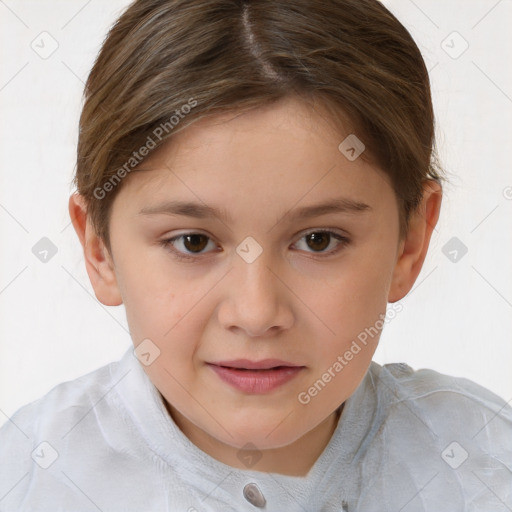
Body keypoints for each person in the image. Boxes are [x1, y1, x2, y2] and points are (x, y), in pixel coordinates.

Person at [1, 0, 510, 510]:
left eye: (319, 240)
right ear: (99, 250)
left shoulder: (486, 464)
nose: (256, 313)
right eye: (193, 242)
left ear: (410, 241)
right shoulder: (27, 478)